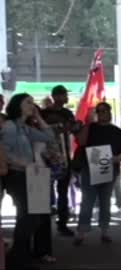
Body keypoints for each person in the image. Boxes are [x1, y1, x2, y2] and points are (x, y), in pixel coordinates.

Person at [1, 94, 56, 269]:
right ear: (18, 105)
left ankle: (20, 256)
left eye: (33, 102)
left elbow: (49, 136)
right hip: (16, 177)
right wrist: (23, 163)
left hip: (28, 176)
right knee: (29, 217)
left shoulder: (24, 128)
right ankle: (17, 258)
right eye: (28, 102)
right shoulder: (10, 127)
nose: (33, 105)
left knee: (31, 217)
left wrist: (39, 118)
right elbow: (4, 152)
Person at [73, 102, 121, 245]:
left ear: (110, 112)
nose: (102, 113)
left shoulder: (117, 131)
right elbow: (81, 141)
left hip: (109, 170)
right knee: (87, 201)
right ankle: (81, 232)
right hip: (89, 169)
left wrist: (117, 159)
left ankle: (105, 231)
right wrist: (88, 123)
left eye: (104, 110)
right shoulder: (90, 128)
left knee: (105, 202)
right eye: (99, 111)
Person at [41, 85, 76, 236]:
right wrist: (61, 128)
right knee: (44, 192)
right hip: (46, 157)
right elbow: (41, 130)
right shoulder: (44, 113)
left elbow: (73, 128)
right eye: (63, 95)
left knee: (63, 192)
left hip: (64, 156)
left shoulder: (68, 113)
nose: (66, 98)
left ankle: (62, 223)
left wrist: (74, 127)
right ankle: (43, 225)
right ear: (56, 96)